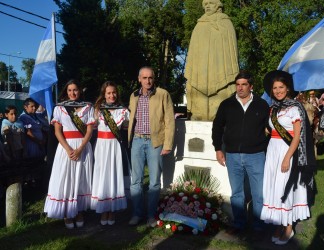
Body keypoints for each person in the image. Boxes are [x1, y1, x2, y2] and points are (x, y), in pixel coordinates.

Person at [260, 70, 316, 245]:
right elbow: (271, 130)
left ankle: (289, 227)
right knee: (274, 187)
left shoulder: (294, 107)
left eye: (281, 87)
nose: (277, 91)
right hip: (273, 151)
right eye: (275, 88)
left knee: (285, 187)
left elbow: (298, 136)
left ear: (288, 88)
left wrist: (287, 158)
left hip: (287, 151)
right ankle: (279, 222)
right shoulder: (273, 109)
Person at [212, 70, 269, 237]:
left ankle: (258, 226)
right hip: (233, 156)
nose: (240, 88)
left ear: (251, 86)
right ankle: (239, 224)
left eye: (244, 84)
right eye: (238, 85)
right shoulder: (227, 104)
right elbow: (217, 127)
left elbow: (271, 128)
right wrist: (218, 148)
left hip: (256, 155)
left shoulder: (262, 105)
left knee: (258, 194)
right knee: (237, 193)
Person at [127, 67, 175, 227]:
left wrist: (167, 144)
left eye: (151, 78)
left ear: (154, 79)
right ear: (139, 79)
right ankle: (137, 214)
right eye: (145, 78)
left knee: (154, 181)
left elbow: (170, 121)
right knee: (136, 181)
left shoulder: (163, 94)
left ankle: (151, 216)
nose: (148, 81)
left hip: (156, 142)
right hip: (137, 141)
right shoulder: (133, 96)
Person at [44, 79, 95, 229]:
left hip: (83, 147)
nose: (73, 93)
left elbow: (90, 131)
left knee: (81, 179)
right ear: (66, 92)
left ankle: (78, 211)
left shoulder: (88, 107)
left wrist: (79, 149)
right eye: (69, 90)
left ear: (80, 91)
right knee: (65, 179)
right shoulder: (59, 108)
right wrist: (68, 149)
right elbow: (57, 131)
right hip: (65, 148)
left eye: (75, 90)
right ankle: (67, 213)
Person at [184, 0, 239, 121]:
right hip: (201, 68)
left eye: (211, 3)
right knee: (198, 91)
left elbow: (230, 47)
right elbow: (193, 49)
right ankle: (198, 112)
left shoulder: (226, 23)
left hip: (220, 66)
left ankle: (218, 113)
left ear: (218, 5)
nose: (208, 6)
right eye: (206, 4)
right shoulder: (200, 24)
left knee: (221, 93)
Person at [91, 81, 129, 225]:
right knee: (102, 176)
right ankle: (103, 209)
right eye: (108, 93)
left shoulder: (123, 111)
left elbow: (129, 125)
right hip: (101, 146)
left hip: (114, 146)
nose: (112, 95)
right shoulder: (97, 110)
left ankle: (112, 210)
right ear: (104, 95)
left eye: (114, 92)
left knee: (114, 175)